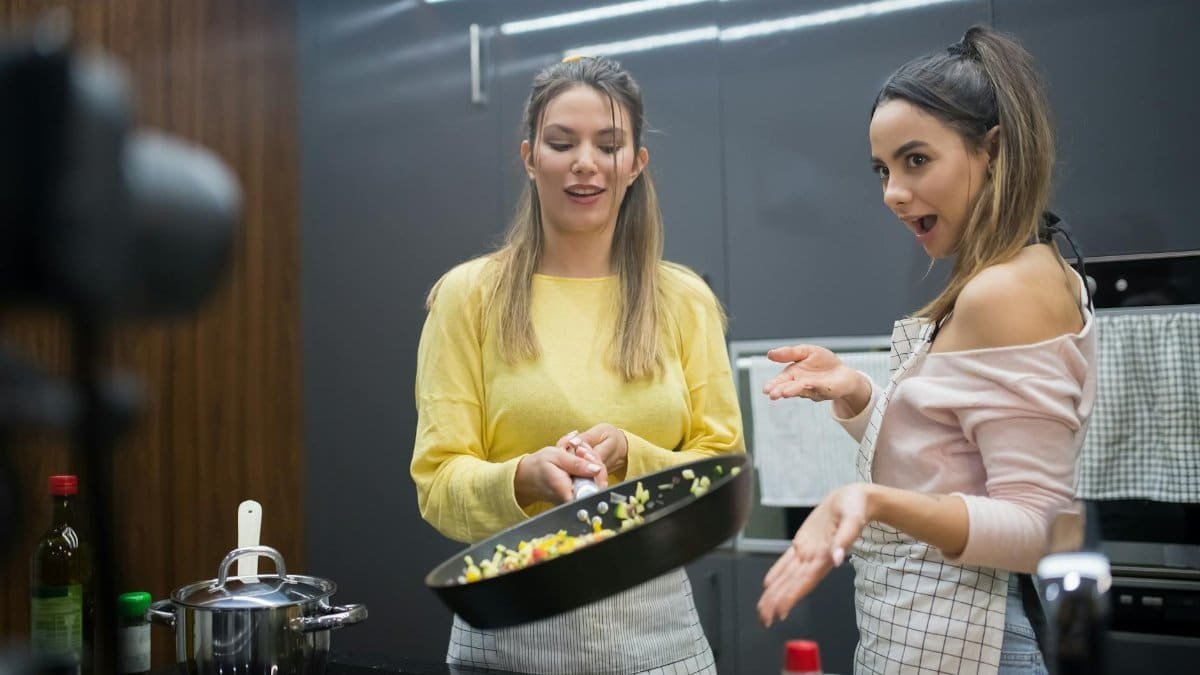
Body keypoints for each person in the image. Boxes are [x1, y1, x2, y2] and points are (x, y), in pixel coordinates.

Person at [756, 27, 1096, 675]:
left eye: (917, 160)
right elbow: (948, 457)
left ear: (992, 149)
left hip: (976, 649)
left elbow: (1039, 526)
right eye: (884, 170)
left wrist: (870, 501)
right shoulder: (999, 275)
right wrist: (856, 392)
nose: (893, 193)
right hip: (925, 643)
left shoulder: (1004, 289)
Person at [410, 55, 743, 675]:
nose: (585, 162)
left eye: (608, 144)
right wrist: (524, 478)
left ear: (636, 165)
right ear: (530, 157)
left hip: (660, 642)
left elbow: (720, 473)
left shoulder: (684, 299)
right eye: (562, 143)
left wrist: (632, 456)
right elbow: (438, 484)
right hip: (507, 636)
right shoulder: (467, 296)